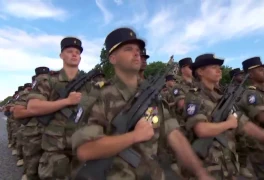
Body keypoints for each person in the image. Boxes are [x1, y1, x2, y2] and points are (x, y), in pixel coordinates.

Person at [71, 27, 212, 180]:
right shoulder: (98, 95)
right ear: (113, 58)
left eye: (138, 49)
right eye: (128, 49)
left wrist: (201, 173)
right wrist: (134, 136)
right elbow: (85, 149)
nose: (137, 53)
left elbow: (174, 135)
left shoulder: (151, 95)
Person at [183, 54, 264, 180]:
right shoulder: (194, 97)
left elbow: (245, 124)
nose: (219, 69)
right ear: (200, 71)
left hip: (228, 162)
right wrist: (229, 124)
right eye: (214, 66)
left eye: (219, 67)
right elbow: (201, 129)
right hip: (208, 166)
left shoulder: (222, 97)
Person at [26, 37, 89, 179]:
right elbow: (33, 107)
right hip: (55, 147)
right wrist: (66, 101)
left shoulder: (91, 82)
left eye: (78, 52)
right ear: (61, 55)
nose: (74, 54)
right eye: (69, 51)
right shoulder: (48, 80)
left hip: (83, 145)